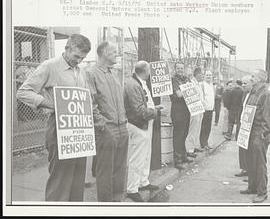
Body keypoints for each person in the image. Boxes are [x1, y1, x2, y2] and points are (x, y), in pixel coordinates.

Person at [17, 34, 91, 201]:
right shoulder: (50, 66)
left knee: (77, 182)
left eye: (82, 58)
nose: (78, 61)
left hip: (79, 131)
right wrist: (52, 105)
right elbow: (23, 92)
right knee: (60, 181)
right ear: (67, 49)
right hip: (58, 127)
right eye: (76, 56)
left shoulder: (81, 71)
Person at [86, 41, 129, 202]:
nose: (117, 54)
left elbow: (120, 101)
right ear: (104, 52)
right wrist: (102, 126)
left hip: (122, 127)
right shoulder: (91, 73)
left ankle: (117, 200)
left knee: (120, 167)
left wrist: (124, 121)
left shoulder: (114, 74)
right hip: (107, 129)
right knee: (105, 170)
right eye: (113, 51)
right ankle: (105, 205)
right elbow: (90, 103)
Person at [124, 61, 162, 202]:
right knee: (138, 157)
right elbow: (139, 110)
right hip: (138, 124)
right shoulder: (133, 85)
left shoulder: (139, 82)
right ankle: (132, 189)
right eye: (149, 70)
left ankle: (143, 181)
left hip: (145, 123)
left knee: (146, 155)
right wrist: (156, 111)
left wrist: (154, 108)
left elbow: (143, 104)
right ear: (145, 71)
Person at [240, 69, 270, 203]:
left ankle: (262, 192)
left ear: (260, 79)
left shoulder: (266, 94)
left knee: (260, 164)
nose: (251, 79)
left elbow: (268, 119)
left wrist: (262, 135)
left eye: (253, 76)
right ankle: (252, 187)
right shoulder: (253, 92)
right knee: (251, 162)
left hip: (259, 133)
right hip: (249, 132)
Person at [170, 62, 193, 170]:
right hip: (177, 110)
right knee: (178, 135)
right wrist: (188, 91)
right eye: (178, 68)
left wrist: (186, 91)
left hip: (186, 110)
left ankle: (183, 156)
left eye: (181, 68)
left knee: (184, 133)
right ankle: (177, 160)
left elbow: (192, 92)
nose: (180, 70)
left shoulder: (185, 79)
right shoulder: (173, 80)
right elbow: (179, 95)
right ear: (175, 69)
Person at [234, 75, 254, 178]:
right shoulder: (245, 93)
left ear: (252, 83)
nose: (243, 85)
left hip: (249, 125)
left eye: (246, 83)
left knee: (248, 148)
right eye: (242, 83)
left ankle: (249, 170)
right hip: (242, 122)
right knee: (241, 146)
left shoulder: (254, 95)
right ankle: (244, 168)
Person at [185, 67, 205, 155]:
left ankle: (195, 146)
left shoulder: (199, 84)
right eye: (202, 74)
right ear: (198, 74)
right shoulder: (191, 83)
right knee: (193, 129)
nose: (203, 76)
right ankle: (189, 149)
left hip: (200, 109)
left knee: (198, 128)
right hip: (194, 109)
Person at [199, 70, 215, 150]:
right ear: (204, 76)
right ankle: (202, 143)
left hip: (210, 109)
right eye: (207, 75)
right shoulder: (202, 85)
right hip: (204, 109)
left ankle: (206, 142)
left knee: (208, 127)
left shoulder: (212, 85)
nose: (208, 77)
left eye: (210, 75)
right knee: (203, 127)